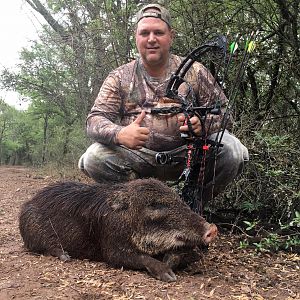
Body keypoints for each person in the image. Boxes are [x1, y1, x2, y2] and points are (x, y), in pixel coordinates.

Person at [78, 3, 249, 203]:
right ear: (136, 36)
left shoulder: (195, 70)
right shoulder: (119, 76)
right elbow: (94, 120)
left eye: (158, 32)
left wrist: (203, 124)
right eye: (144, 33)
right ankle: (141, 209)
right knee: (94, 158)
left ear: (171, 36)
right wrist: (120, 134)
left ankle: (191, 206)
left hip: (188, 156)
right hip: (137, 157)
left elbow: (226, 113)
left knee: (233, 151)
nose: (151, 39)